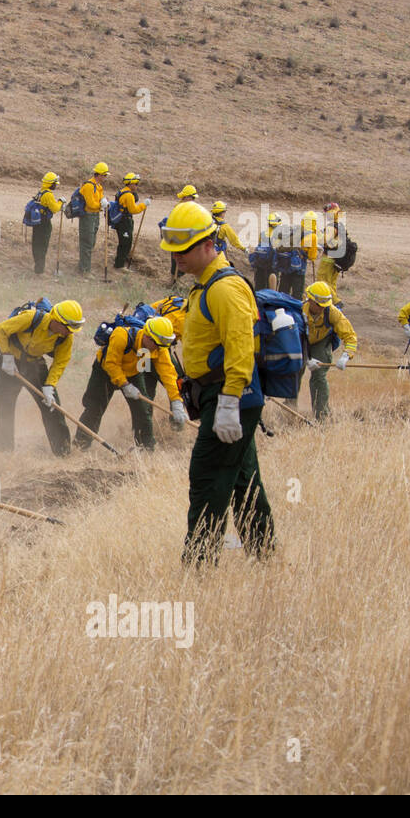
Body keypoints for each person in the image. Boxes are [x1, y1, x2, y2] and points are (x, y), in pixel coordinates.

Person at [159, 201, 274, 569]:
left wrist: (228, 402)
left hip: (230, 396)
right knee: (242, 481)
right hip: (222, 395)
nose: (177, 257)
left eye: (184, 249)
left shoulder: (224, 289)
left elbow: (241, 347)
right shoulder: (204, 285)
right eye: (173, 250)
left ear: (209, 244)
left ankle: (198, 568)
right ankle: (266, 556)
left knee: (208, 479)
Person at [76, 315, 188, 450]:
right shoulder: (121, 336)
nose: (158, 349)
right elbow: (111, 364)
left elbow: (169, 375)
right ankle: (81, 444)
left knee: (143, 409)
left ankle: (145, 447)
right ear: (147, 336)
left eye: (161, 346)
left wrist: (176, 402)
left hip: (133, 373)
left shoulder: (159, 346)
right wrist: (125, 385)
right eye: (156, 345)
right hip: (105, 371)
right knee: (94, 407)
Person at [0, 299, 85, 455]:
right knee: (4, 405)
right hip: (11, 364)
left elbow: (61, 361)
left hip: (34, 365)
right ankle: (4, 453)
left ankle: (63, 453)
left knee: (52, 408)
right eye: (67, 328)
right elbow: (1, 329)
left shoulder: (66, 337)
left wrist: (49, 386)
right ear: (56, 320)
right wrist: (7, 356)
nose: (69, 332)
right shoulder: (31, 318)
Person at [303, 282, 357, 421]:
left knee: (319, 376)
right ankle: (290, 405)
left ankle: (322, 416)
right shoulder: (299, 311)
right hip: (301, 341)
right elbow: (290, 340)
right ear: (310, 300)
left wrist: (346, 356)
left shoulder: (332, 312)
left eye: (324, 306)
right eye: (319, 306)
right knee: (293, 371)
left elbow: (350, 336)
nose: (322, 309)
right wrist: (305, 359)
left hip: (321, 342)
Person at [27, 172, 65, 274]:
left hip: (37, 222)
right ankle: (40, 270)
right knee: (42, 246)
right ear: (51, 183)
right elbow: (55, 209)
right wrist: (61, 202)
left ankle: (37, 267)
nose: (56, 185)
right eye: (55, 183)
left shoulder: (41, 192)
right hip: (44, 223)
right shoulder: (48, 194)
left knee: (36, 244)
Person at [77, 162, 109, 275]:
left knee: (91, 243)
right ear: (99, 174)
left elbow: (98, 200)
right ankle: (84, 270)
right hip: (88, 216)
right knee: (87, 242)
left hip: (95, 216)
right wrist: (101, 205)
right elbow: (90, 204)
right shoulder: (89, 186)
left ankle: (84, 266)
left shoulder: (99, 186)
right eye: (104, 175)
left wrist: (103, 203)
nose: (105, 178)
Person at [277, 210, 318, 297]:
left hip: (286, 265)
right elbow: (311, 256)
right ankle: (295, 309)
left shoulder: (295, 230)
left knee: (283, 291)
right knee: (297, 293)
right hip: (299, 269)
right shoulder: (313, 236)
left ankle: (280, 307)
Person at [112, 172, 147, 269]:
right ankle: (119, 265)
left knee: (124, 242)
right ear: (130, 183)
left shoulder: (121, 191)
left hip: (121, 221)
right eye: (136, 184)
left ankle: (120, 262)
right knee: (126, 243)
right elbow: (133, 210)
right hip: (124, 222)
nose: (137, 186)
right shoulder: (128, 195)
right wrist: (144, 205)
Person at [316, 202, 347, 303]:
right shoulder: (341, 223)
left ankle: (335, 301)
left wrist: (318, 234)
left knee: (323, 280)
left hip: (328, 258)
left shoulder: (332, 226)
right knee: (332, 282)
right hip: (338, 258)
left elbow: (324, 241)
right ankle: (332, 303)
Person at [167, 185, 199, 280]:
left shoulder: (192, 207)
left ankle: (176, 278)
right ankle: (173, 279)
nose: (192, 200)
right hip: (177, 235)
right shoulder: (179, 207)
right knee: (176, 258)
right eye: (191, 198)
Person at [249, 212, 282, 290]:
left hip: (260, 265)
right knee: (271, 290)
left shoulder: (263, 234)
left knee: (259, 287)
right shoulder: (279, 236)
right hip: (272, 267)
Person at [210, 201, 245, 268]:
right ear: (221, 213)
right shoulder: (225, 226)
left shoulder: (208, 221)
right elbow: (234, 241)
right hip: (219, 254)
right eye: (224, 212)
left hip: (208, 251)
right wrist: (243, 248)